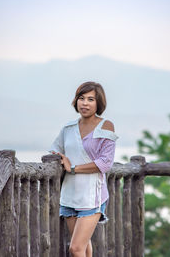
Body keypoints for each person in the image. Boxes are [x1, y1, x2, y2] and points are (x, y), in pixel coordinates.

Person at [49, 81, 118, 257]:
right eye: (81, 98)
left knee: (75, 248)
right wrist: (60, 157)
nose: (85, 103)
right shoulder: (68, 128)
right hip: (70, 194)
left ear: (98, 103)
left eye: (90, 99)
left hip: (92, 196)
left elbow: (105, 163)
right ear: (76, 101)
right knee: (84, 246)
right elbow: (56, 151)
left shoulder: (106, 126)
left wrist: (72, 167)